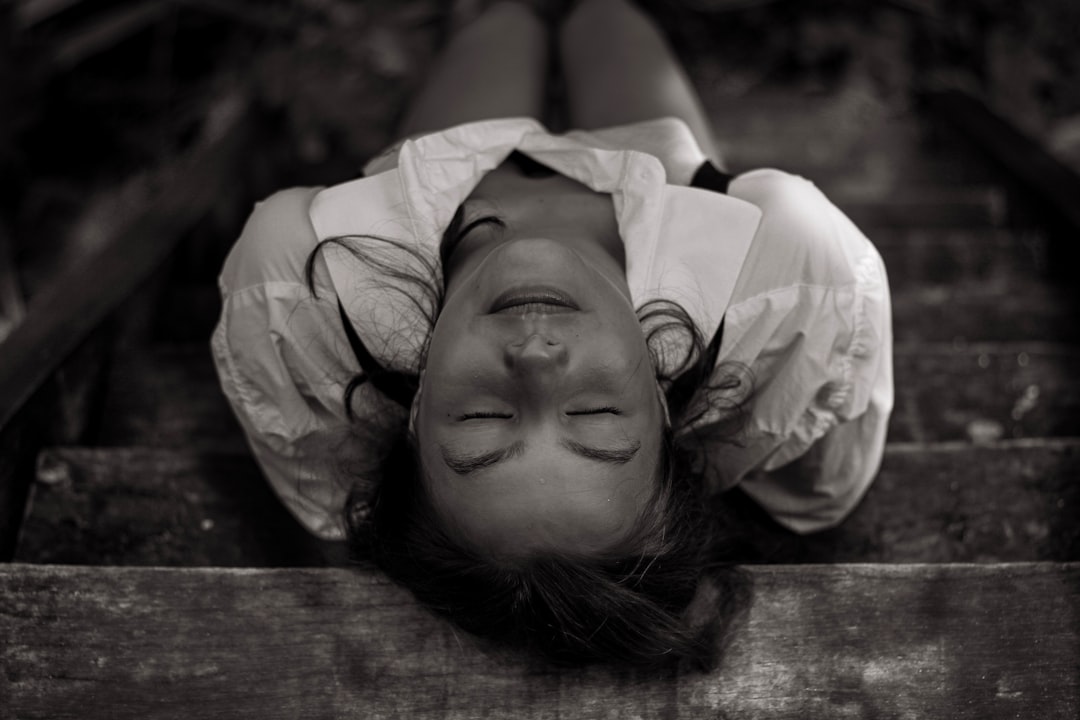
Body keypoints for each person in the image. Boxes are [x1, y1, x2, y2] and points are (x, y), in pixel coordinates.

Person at [211, 0, 893, 669]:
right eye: (594, 413)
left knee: (501, 20)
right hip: (661, 178)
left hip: (458, 167)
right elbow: (821, 489)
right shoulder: (792, 277)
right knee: (608, 17)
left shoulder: (294, 285)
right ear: (664, 410)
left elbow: (329, 487)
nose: (536, 357)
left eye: (482, 417)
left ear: (414, 412)